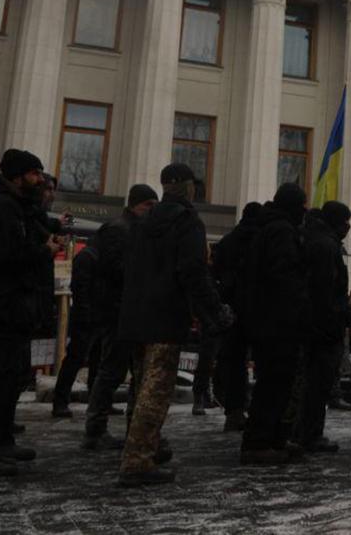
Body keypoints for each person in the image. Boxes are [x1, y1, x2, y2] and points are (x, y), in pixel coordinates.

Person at [116, 163, 232, 487]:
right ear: (186, 187)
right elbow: (193, 272)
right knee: (156, 390)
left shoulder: (142, 221)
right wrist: (215, 312)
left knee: (141, 388)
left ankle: (140, 448)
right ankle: (137, 461)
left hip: (136, 316)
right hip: (164, 316)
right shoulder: (187, 222)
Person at [0, 149, 63, 479]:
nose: (40, 180)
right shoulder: (1, 208)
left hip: (14, 310)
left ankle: (0, 441)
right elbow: (6, 256)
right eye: (35, 174)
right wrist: (43, 251)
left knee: (8, 382)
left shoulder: (17, 207)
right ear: (18, 176)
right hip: (0, 309)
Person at [82, 183, 157, 450]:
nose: (151, 211)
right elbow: (115, 269)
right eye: (148, 205)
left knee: (126, 371)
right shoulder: (119, 230)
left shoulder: (132, 230)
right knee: (112, 370)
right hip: (117, 311)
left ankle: (121, 427)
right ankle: (95, 428)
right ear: (136, 205)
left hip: (127, 310)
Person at [239, 183, 308, 465]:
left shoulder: (271, 228)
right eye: (303, 204)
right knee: (274, 383)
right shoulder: (281, 231)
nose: (306, 210)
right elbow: (284, 278)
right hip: (278, 322)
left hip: (269, 320)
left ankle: (273, 438)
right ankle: (259, 441)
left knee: (276, 382)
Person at [299, 200, 351, 452]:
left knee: (314, 381)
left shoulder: (316, 240)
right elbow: (325, 290)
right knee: (317, 382)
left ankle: (307, 431)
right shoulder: (325, 245)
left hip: (316, 324)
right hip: (323, 326)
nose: (348, 226)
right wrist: (334, 320)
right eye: (345, 221)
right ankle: (310, 434)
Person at [211, 201, 264, 432]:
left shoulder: (228, 241)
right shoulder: (262, 240)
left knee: (235, 362)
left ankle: (234, 411)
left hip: (232, 308)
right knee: (263, 361)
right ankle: (260, 411)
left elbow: (215, 273)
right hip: (258, 308)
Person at [51, 231, 101, 417]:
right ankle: (61, 400)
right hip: (87, 316)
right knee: (77, 358)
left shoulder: (92, 256)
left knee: (94, 357)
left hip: (93, 314)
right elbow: (81, 288)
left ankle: (93, 399)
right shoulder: (89, 257)